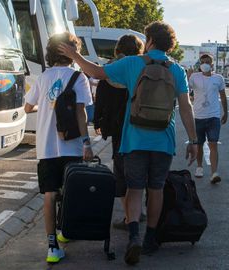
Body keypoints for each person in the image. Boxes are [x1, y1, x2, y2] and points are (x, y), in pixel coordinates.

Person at [59, 21, 198, 265]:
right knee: (155, 189)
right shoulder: (177, 70)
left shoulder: (133, 63)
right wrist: (194, 140)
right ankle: (151, 239)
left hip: (134, 139)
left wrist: (74, 55)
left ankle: (133, 234)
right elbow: (186, 108)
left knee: (134, 188)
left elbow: (96, 73)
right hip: (163, 140)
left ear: (151, 41)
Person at [24, 32, 93, 264]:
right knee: (71, 191)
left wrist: (45, 107)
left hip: (46, 147)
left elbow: (27, 107)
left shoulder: (43, 77)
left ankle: (52, 246)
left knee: (49, 194)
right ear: (73, 52)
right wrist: (87, 143)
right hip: (72, 145)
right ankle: (65, 230)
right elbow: (81, 113)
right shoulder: (78, 77)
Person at [92, 34, 145, 231]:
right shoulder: (141, 69)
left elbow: (101, 97)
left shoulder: (111, 69)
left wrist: (97, 120)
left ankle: (129, 216)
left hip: (117, 127)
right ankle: (138, 209)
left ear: (117, 50)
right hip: (139, 126)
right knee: (138, 168)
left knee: (121, 171)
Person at [189, 54, 228, 184]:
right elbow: (186, 91)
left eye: (207, 62)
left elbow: (223, 96)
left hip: (213, 117)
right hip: (198, 116)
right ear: (200, 64)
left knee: (213, 144)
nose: (205, 64)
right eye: (202, 62)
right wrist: (188, 76)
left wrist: (226, 112)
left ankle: (214, 173)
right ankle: (199, 167)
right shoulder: (194, 77)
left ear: (212, 64)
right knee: (199, 144)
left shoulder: (219, 78)